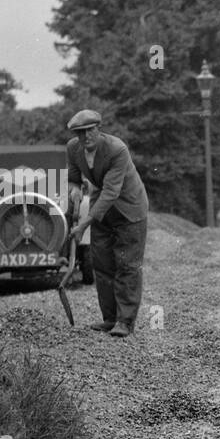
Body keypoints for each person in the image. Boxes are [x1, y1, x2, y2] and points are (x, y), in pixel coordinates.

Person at [64, 109, 149, 338]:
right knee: (102, 264)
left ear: (98, 129)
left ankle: (125, 321)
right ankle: (110, 319)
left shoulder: (116, 149)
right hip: (101, 210)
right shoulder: (73, 148)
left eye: (90, 130)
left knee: (127, 265)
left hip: (129, 209)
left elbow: (111, 192)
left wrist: (83, 225)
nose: (86, 137)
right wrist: (74, 190)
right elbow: (73, 177)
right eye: (80, 133)